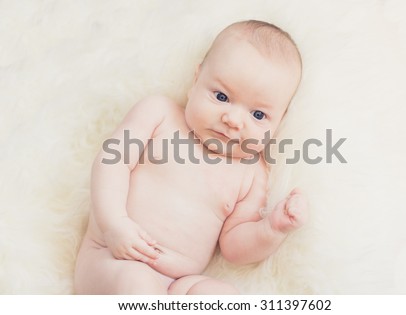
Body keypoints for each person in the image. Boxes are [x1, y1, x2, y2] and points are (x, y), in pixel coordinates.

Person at [74, 20, 307, 294]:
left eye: (258, 115)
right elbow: (112, 162)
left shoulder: (252, 173)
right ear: (196, 81)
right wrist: (114, 224)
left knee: (222, 296)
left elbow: (233, 246)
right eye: (221, 96)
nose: (232, 120)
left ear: (279, 122)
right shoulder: (159, 115)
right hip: (112, 257)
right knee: (136, 282)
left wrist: (272, 229)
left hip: (177, 284)